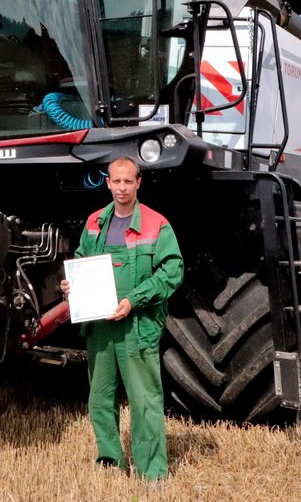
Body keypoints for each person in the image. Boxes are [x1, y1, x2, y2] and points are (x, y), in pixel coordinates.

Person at [60, 156, 184, 480]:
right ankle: (110, 463)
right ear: (108, 183)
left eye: (128, 181)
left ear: (138, 183)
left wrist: (133, 301)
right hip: (100, 325)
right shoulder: (94, 223)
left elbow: (172, 271)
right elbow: (81, 260)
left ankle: (151, 473)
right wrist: (71, 284)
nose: (122, 187)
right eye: (116, 181)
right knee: (100, 399)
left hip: (137, 326)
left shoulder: (157, 224)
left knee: (144, 402)